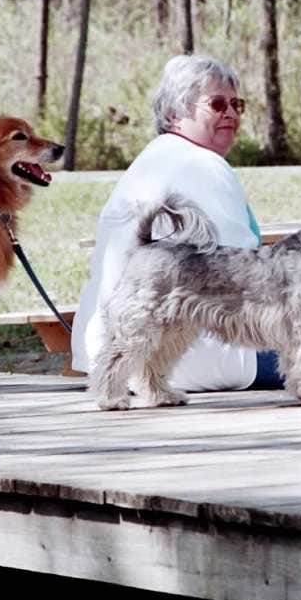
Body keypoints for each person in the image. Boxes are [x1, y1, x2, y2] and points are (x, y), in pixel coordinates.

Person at [70, 53, 283, 391]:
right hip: (185, 355)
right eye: (216, 104)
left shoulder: (153, 157)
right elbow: (242, 272)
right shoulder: (202, 165)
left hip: (109, 349)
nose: (229, 113)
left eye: (236, 104)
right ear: (174, 113)